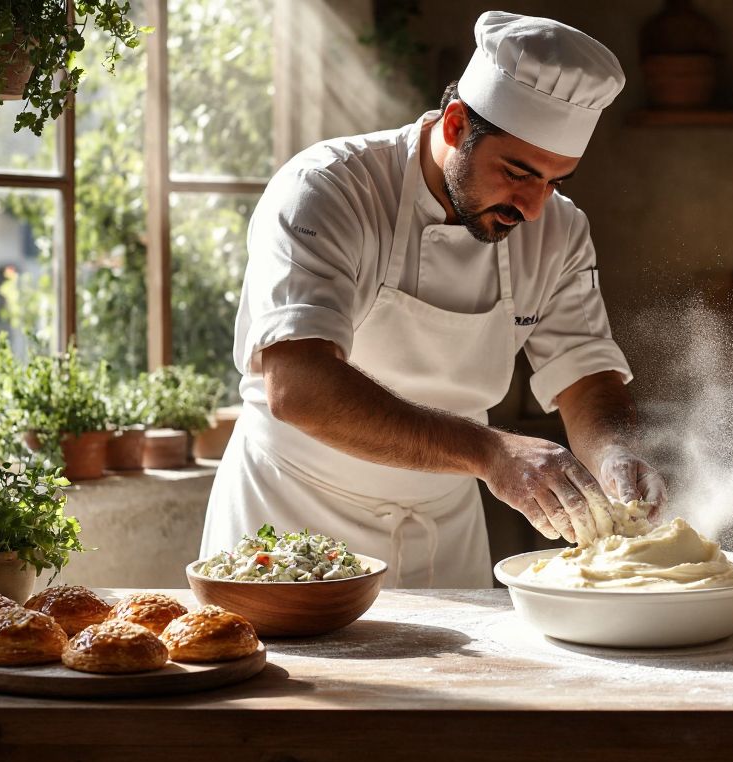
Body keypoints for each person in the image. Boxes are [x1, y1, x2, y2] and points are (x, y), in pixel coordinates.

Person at [199, 11, 664, 587]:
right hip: (293, 523)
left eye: (555, 181)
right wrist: (493, 454)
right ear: (455, 124)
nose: (534, 207)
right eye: (518, 172)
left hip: (445, 534)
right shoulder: (328, 189)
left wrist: (614, 452)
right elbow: (300, 389)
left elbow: (587, 375)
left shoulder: (559, 232)